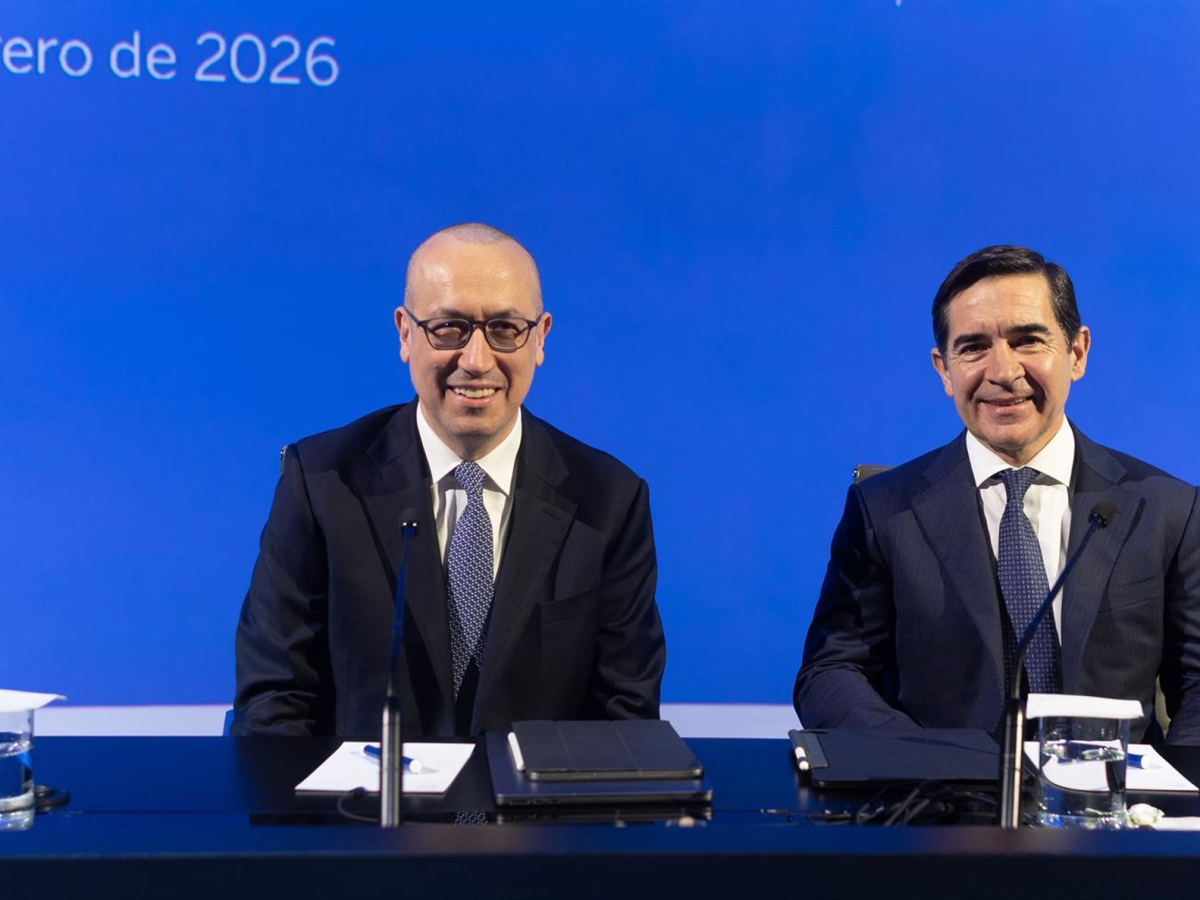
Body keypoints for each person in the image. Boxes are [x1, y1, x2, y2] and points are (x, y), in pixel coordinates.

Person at [234, 223, 665, 737]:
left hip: (535, 792)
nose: (476, 361)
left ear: (540, 338)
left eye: (505, 328)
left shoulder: (609, 500)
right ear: (405, 333)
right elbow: (273, 704)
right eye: (448, 328)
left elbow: (625, 721)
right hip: (366, 790)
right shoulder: (322, 482)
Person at [794, 245, 1200, 743]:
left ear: (1076, 353)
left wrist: (1168, 785)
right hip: (939, 788)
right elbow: (831, 672)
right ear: (944, 370)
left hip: (1112, 789)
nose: (1003, 372)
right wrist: (920, 760)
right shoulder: (883, 511)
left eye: (1027, 341)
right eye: (973, 348)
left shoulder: (1167, 509)